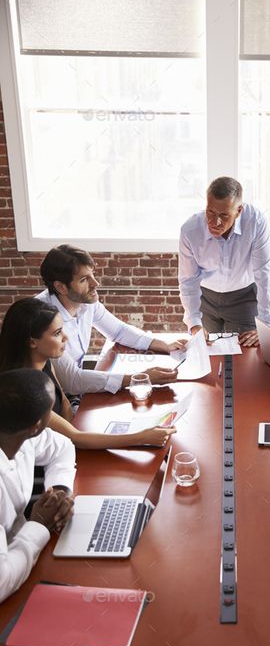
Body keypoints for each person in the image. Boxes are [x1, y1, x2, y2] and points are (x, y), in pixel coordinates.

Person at [0, 298, 176, 450]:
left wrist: (80, 433)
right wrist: (141, 438)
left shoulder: (43, 362)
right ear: (32, 342)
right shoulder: (25, 392)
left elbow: (65, 405)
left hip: (65, 446)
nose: (66, 339)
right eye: (57, 333)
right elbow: (75, 438)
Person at [37, 244, 187, 395]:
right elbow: (72, 381)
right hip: (51, 399)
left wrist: (163, 345)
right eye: (84, 279)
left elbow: (118, 331)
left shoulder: (86, 303)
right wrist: (139, 378)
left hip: (73, 389)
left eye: (92, 275)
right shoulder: (43, 319)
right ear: (61, 287)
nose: (95, 283)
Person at [0, 368, 76, 603]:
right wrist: (39, 525)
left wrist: (60, 493)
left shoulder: (18, 432)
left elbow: (63, 447)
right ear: (37, 424)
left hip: (25, 557)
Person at [178, 176, 270, 347]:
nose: (215, 222)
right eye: (210, 212)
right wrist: (194, 324)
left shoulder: (255, 223)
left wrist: (267, 326)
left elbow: (264, 274)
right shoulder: (190, 230)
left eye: (224, 215)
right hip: (205, 299)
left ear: (238, 211)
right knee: (210, 355)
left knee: (248, 355)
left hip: (243, 297)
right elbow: (188, 281)